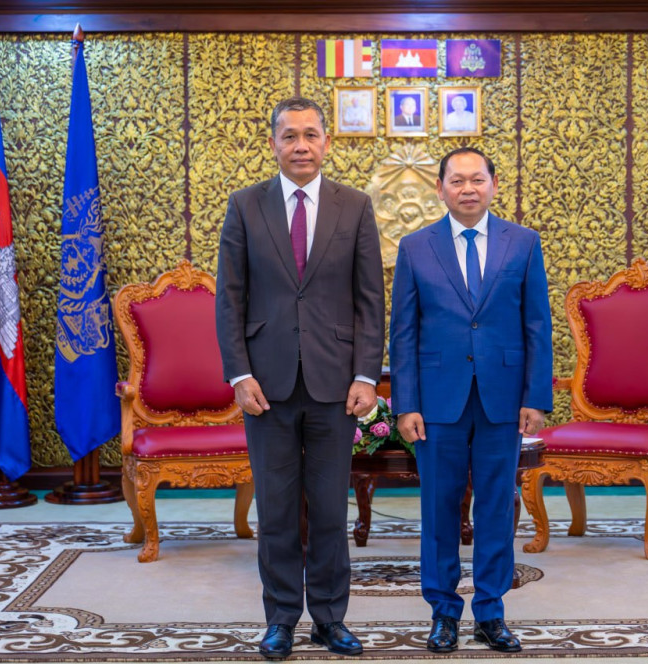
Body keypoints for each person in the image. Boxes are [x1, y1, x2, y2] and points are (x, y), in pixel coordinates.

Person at [215, 97, 385, 660]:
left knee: (331, 509)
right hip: (266, 387)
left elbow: (369, 301)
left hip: (336, 385)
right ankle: (281, 619)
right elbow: (230, 298)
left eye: (311, 134)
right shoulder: (245, 206)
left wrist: (366, 375)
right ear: (273, 144)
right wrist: (239, 374)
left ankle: (331, 619)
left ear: (327, 142)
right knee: (277, 510)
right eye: (290, 136)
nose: (301, 146)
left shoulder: (354, 206)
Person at [389, 147, 553, 654]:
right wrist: (406, 404)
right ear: (440, 189)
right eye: (456, 180)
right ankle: (443, 611)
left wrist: (535, 397)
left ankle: (490, 611)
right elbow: (404, 333)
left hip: (503, 399)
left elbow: (537, 325)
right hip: (437, 402)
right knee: (438, 508)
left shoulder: (523, 243)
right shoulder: (415, 247)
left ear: (493, 185)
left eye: (476, 179)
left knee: (497, 507)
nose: (467, 188)